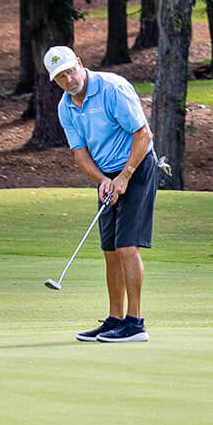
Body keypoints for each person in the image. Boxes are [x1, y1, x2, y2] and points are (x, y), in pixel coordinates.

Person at [43, 45, 156, 343]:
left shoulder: (112, 89)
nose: (68, 80)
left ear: (79, 63)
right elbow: (80, 154)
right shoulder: (65, 107)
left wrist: (124, 177)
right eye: (60, 77)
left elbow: (144, 134)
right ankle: (115, 319)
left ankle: (135, 324)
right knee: (109, 251)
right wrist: (103, 180)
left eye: (70, 71)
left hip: (138, 167)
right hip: (109, 176)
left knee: (127, 246)